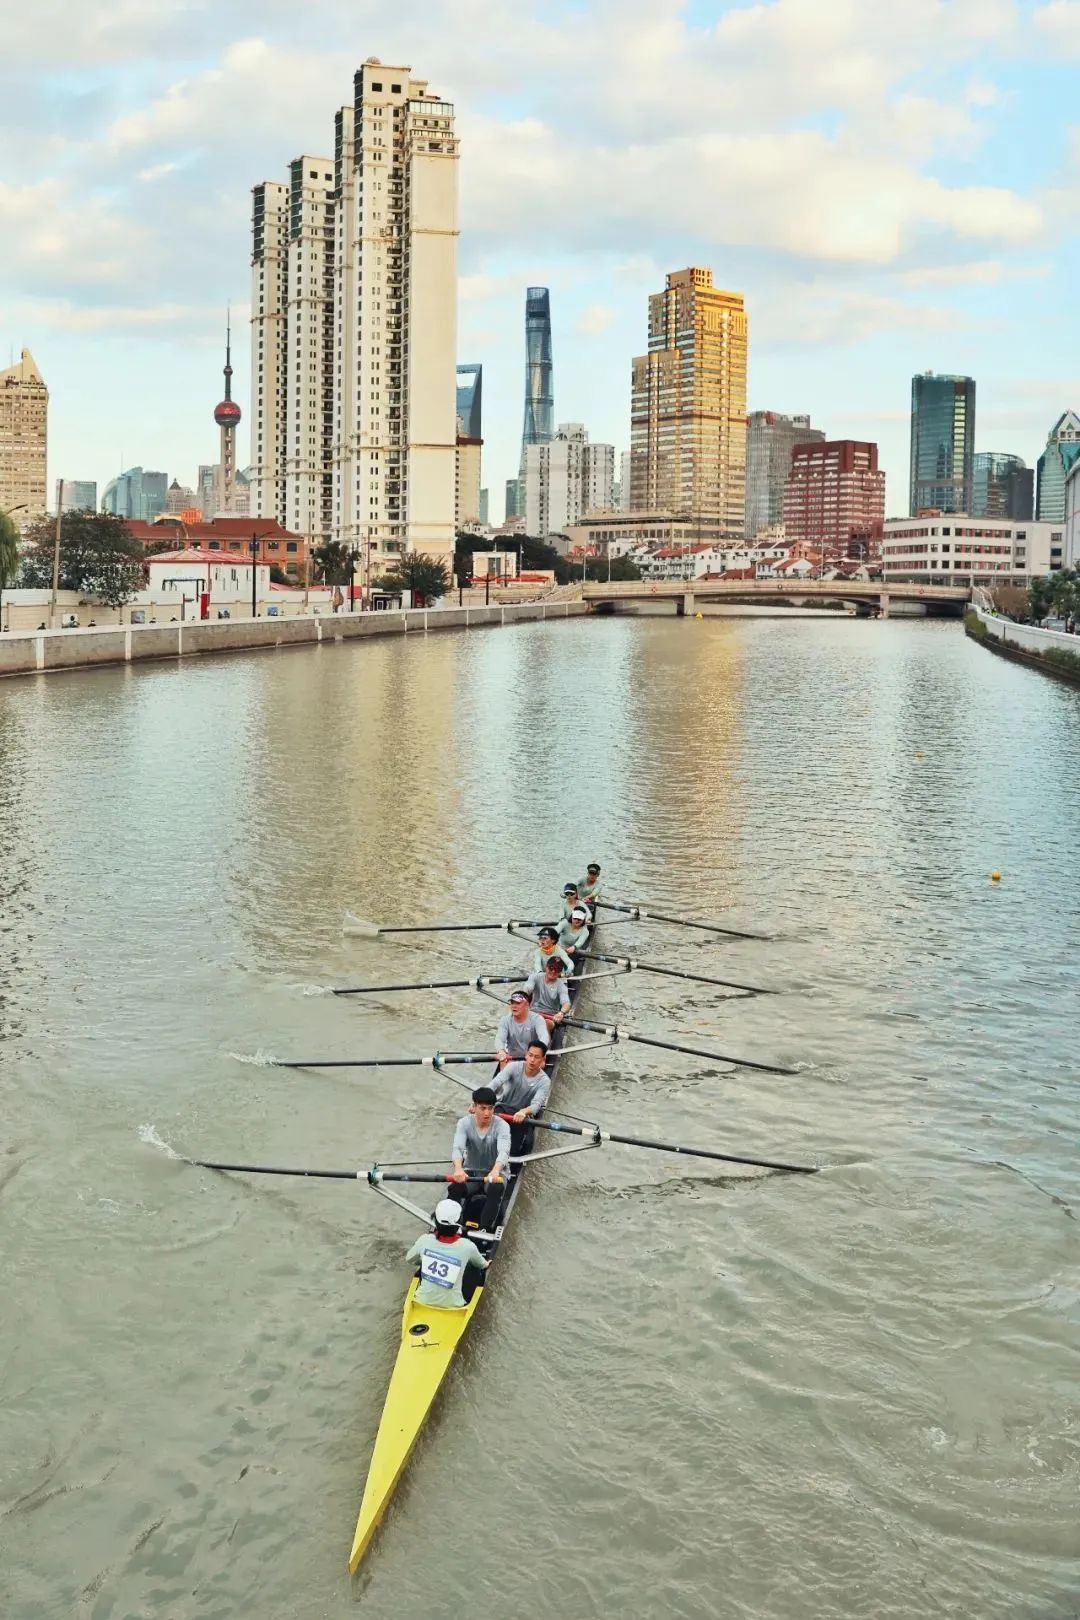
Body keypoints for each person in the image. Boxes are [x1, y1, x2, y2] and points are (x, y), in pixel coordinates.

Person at [446, 1086, 512, 1235]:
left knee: (495, 1189)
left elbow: (504, 1152)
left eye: (490, 1108)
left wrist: (495, 1171)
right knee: (455, 1188)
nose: (487, 1113)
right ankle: (449, 1225)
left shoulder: (502, 1126)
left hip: (496, 1174)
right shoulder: (463, 1123)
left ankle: (484, 1230)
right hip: (472, 1172)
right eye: (483, 1108)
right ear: (474, 1107)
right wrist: (458, 1169)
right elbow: (457, 1148)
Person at [405, 1199, 489, 1308]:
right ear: (459, 1223)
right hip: (455, 1306)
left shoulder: (424, 1240)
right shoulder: (468, 1246)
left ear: (435, 1221)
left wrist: (425, 1258)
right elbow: (482, 1265)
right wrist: (487, 1263)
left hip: (422, 1301)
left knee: (422, 1262)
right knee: (474, 1267)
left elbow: (409, 1259)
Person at [493, 1040, 551, 1157]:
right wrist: (478, 1100)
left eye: (536, 1057)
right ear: (526, 1055)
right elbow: (495, 1083)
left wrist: (523, 1112)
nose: (532, 1060)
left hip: (522, 1116)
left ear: (543, 1059)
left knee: (520, 1147)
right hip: (503, 1109)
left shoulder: (545, 1081)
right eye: (530, 1055)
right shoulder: (513, 1067)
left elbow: (536, 1105)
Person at [496, 988, 550, 1067]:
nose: (514, 1006)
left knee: (540, 1064)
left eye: (518, 1003)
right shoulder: (505, 1020)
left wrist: (538, 1052)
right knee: (502, 1061)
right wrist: (501, 1050)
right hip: (513, 1058)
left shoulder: (537, 1019)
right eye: (512, 1003)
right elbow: (499, 1038)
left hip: (532, 1057)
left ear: (527, 1005)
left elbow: (544, 1037)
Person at [524, 952, 571, 1026]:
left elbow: (566, 1003)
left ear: (560, 972)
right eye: (551, 968)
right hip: (533, 1012)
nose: (553, 971)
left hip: (550, 1018)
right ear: (546, 967)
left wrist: (561, 1013)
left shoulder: (562, 986)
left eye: (557, 969)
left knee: (544, 1024)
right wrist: (521, 1000)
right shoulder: (535, 977)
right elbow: (527, 989)